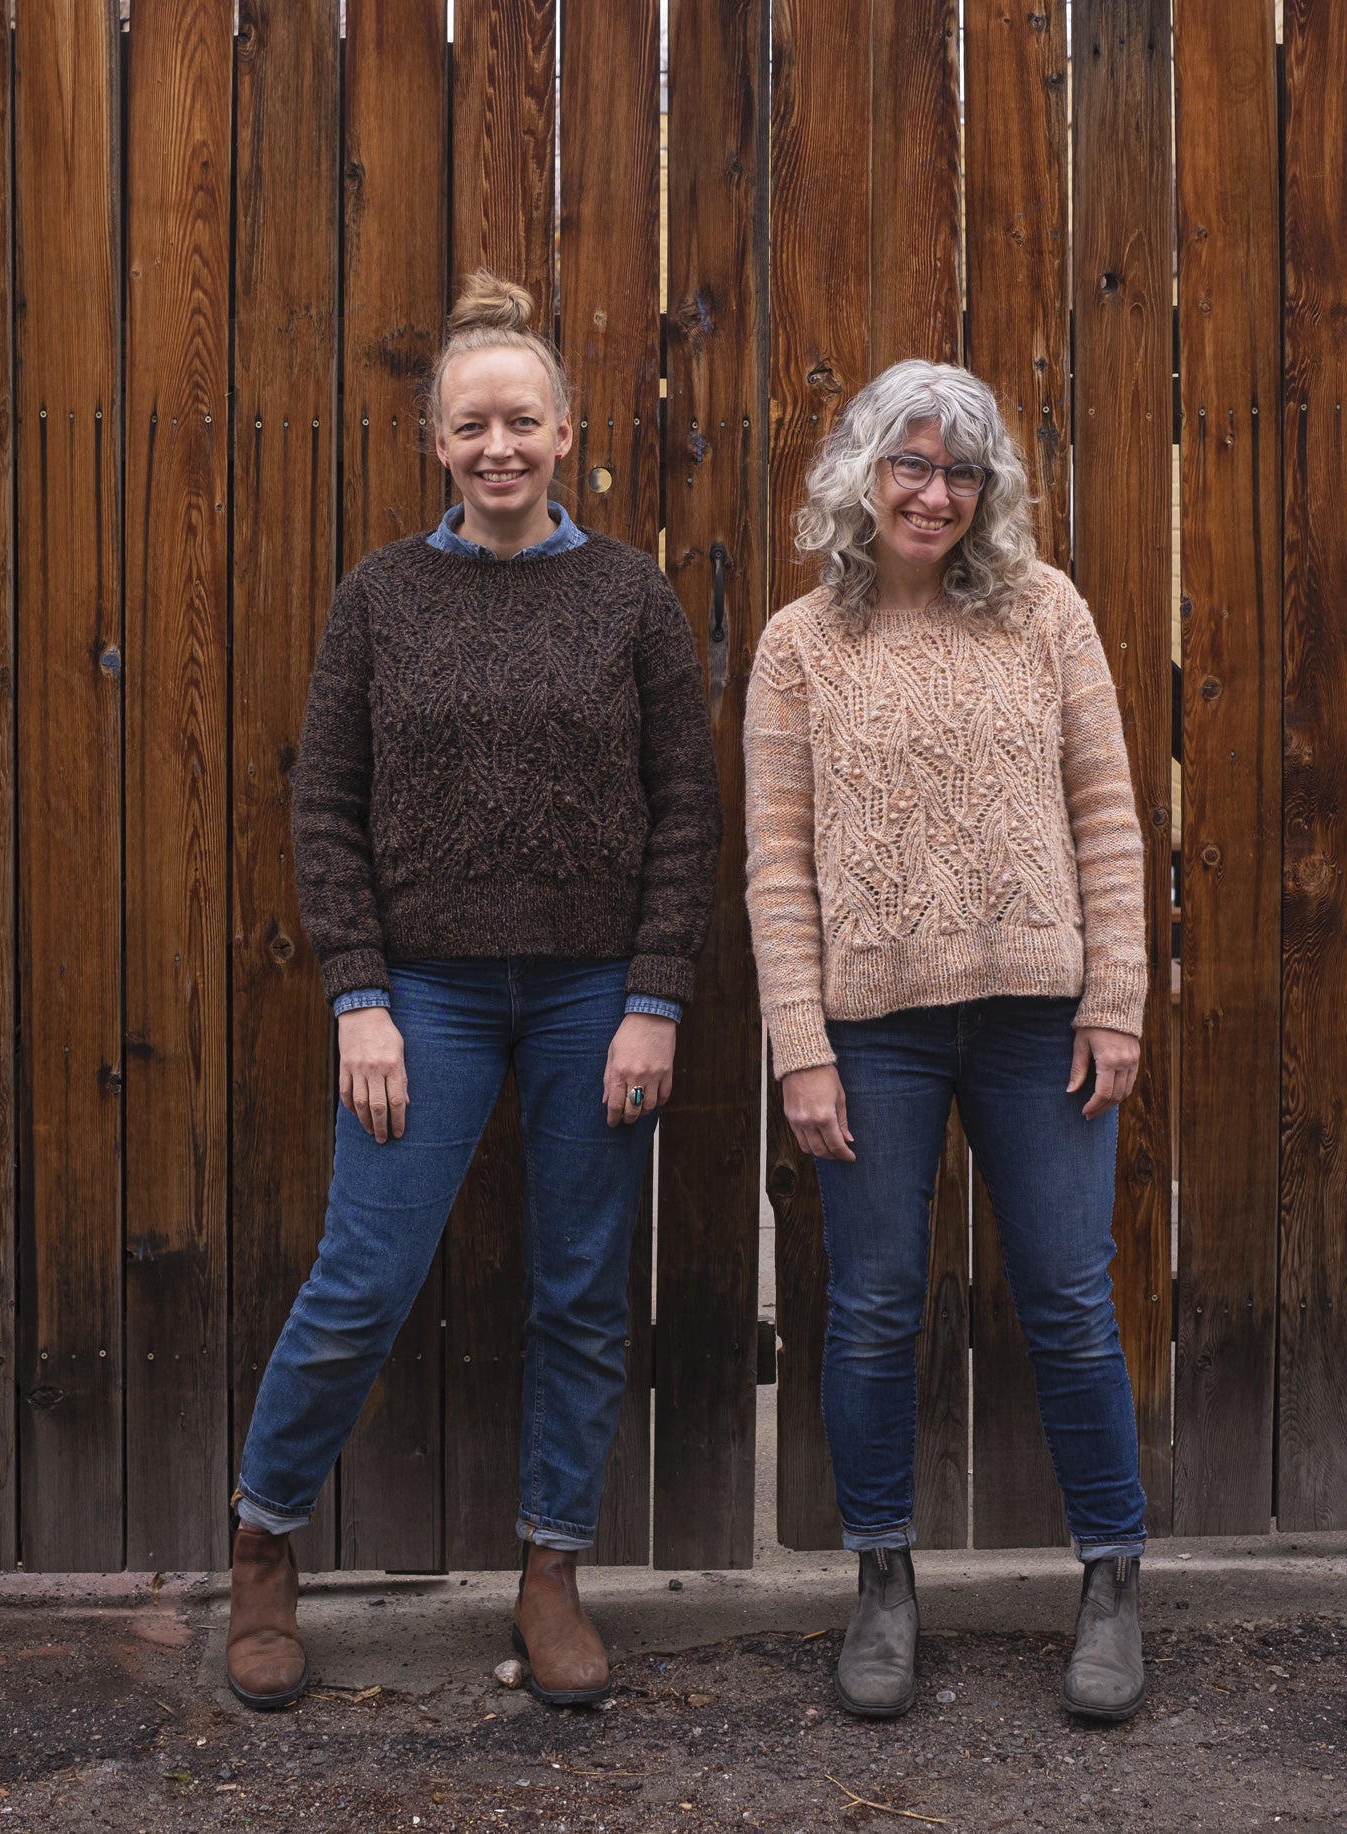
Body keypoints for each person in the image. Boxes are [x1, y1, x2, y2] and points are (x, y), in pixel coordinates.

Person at [225, 271, 721, 1712]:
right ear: (435, 441)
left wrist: (656, 997)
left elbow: (682, 812)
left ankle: (551, 1565)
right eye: (470, 425)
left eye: (523, 420)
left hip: (591, 999)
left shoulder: (630, 598)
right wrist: (359, 997)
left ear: (569, 431)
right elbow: (329, 812)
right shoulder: (379, 597)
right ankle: (263, 1541)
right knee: (363, 1280)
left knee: (578, 1287)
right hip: (424, 997)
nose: (498, 444)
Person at [743, 360, 1149, 1724]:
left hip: (1042, 1020)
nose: (933, 491)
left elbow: (1107, 813)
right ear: (862, 474)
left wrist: (1116, 999)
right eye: (909, 464)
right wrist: (801, 1040)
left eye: (960, 471)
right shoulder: (801, 642)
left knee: (1070, 1302)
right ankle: (882, 1582)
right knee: (869, 1310)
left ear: (990, 493)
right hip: (874, 1034)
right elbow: (777, 865)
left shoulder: (1049, 616)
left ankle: (1110, 1582)